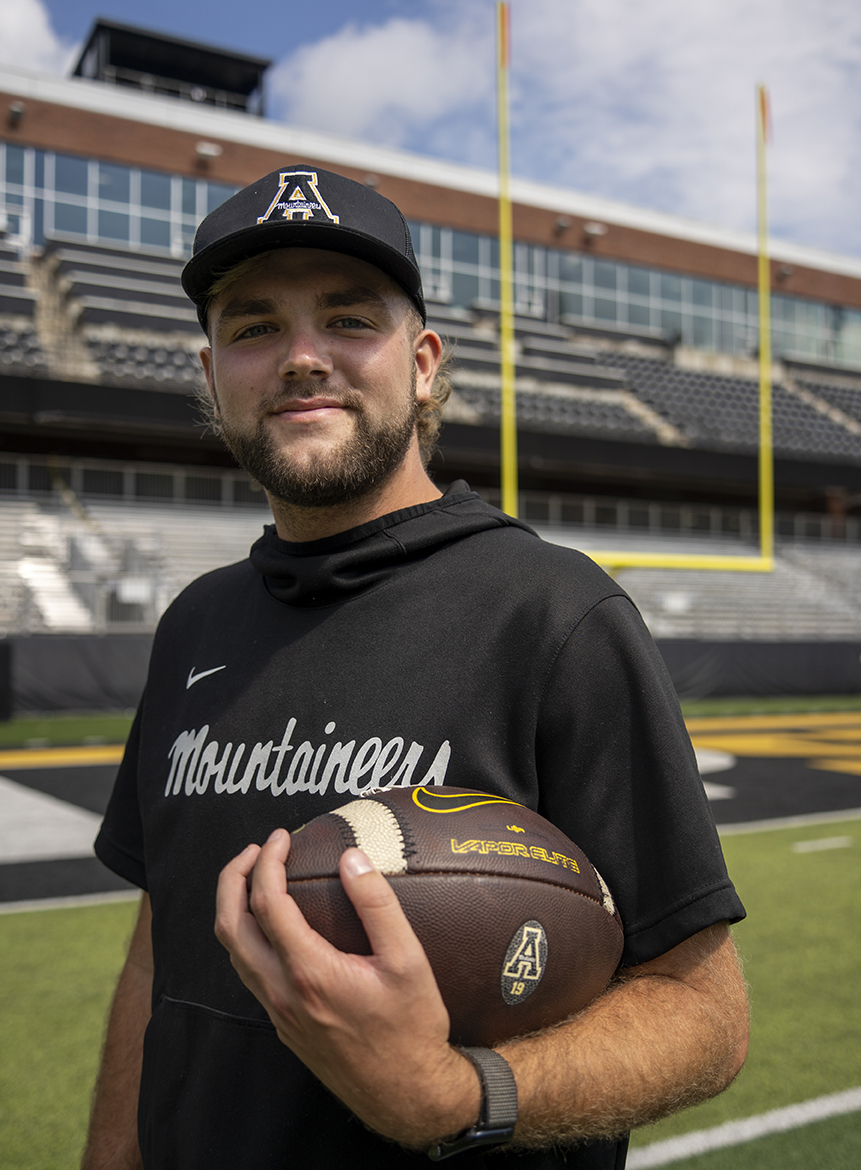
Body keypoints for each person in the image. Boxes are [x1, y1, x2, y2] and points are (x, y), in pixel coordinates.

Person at [84, 165, 748, 1170]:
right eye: (255, 327)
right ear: (212, 370)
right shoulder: (193, 623)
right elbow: (157, 953)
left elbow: (704, 1016)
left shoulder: (554, 613)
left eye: (350, 320)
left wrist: (460, 1095)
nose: (303, 357)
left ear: (426, 362)